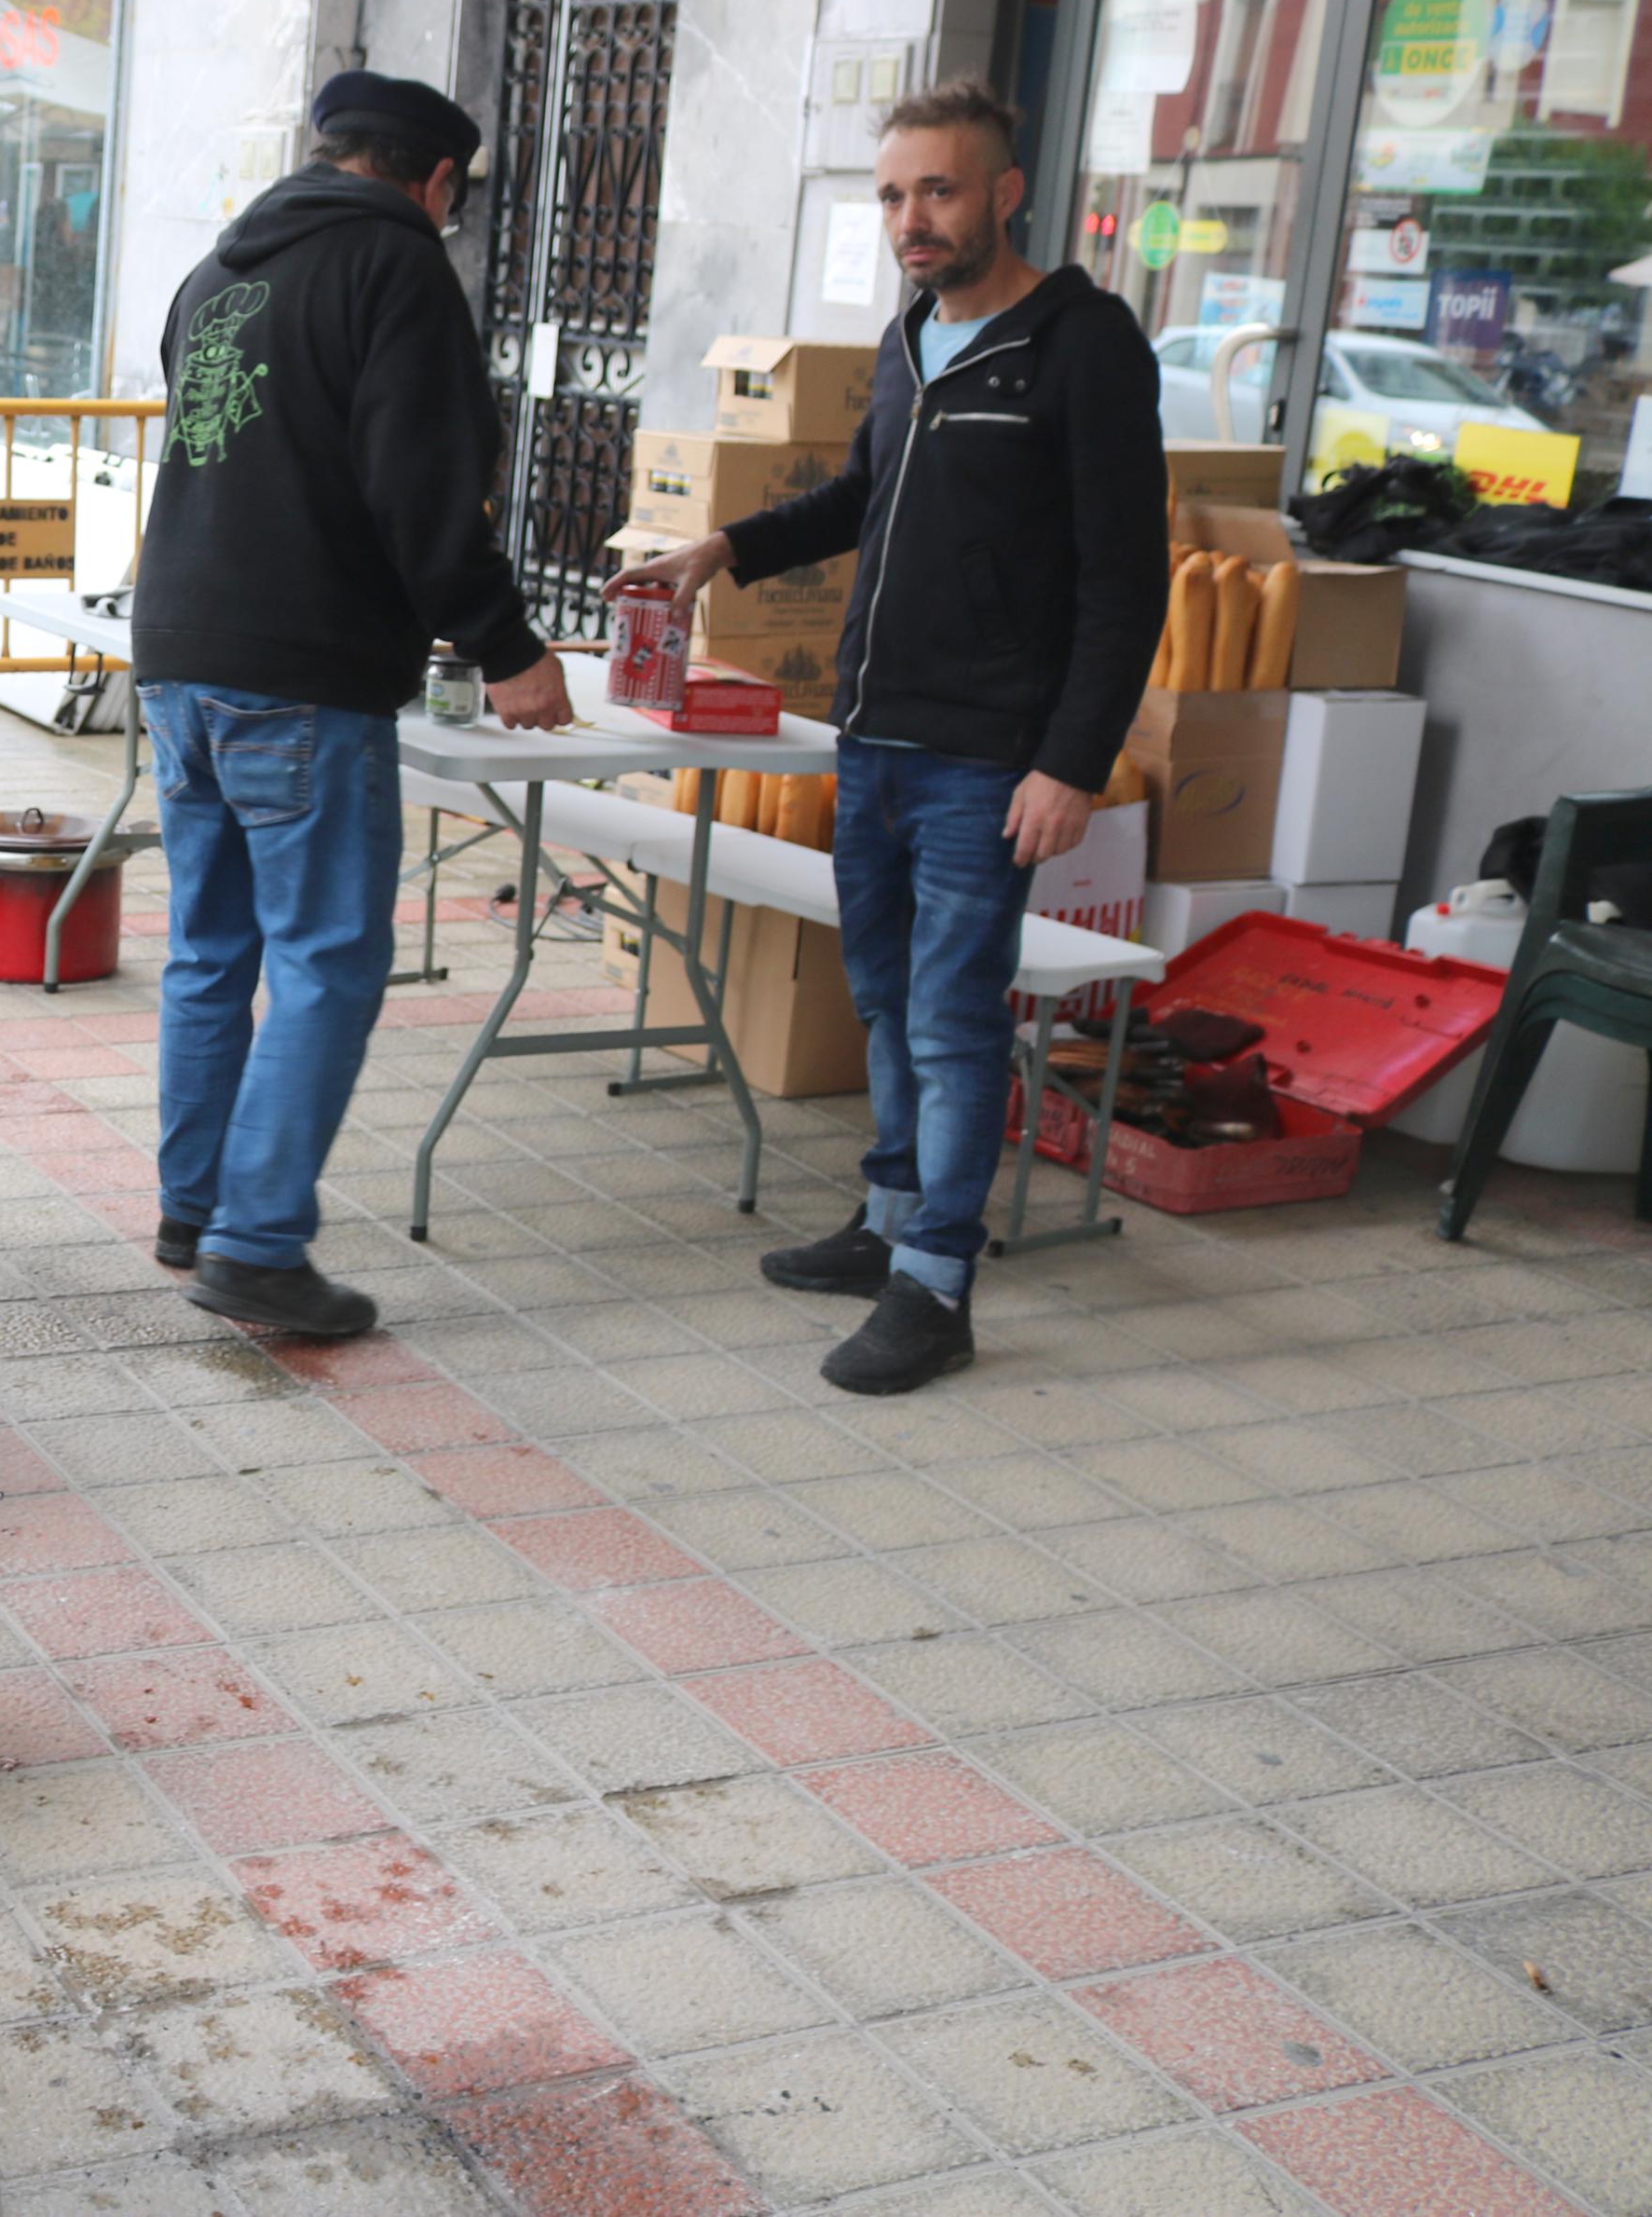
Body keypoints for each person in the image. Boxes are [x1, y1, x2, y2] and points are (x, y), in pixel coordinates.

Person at [624, 78, 1165, 1395]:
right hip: (870, 738)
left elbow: (1123, 580)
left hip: (988, 756)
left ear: (1000, 193)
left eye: (934, 190)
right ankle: (883, 1219)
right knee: (882, 998)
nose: (908, 219)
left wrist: (1069, 762)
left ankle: (935, 1282)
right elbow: (860, 495)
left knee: (950, 1019)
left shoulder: (1081, 345)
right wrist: (724, 547)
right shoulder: (909, 335)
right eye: (888, 195)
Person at [130, 71, 575, 1342]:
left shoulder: (215, 272)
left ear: (323, 152)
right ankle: (257, 1245)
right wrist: (506, 645)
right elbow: (423, 492)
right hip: (297, 666)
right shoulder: (398, 271)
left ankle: (194, 1203)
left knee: (211, 948)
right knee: (326, 956)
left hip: (176, 657)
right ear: (435, 183)